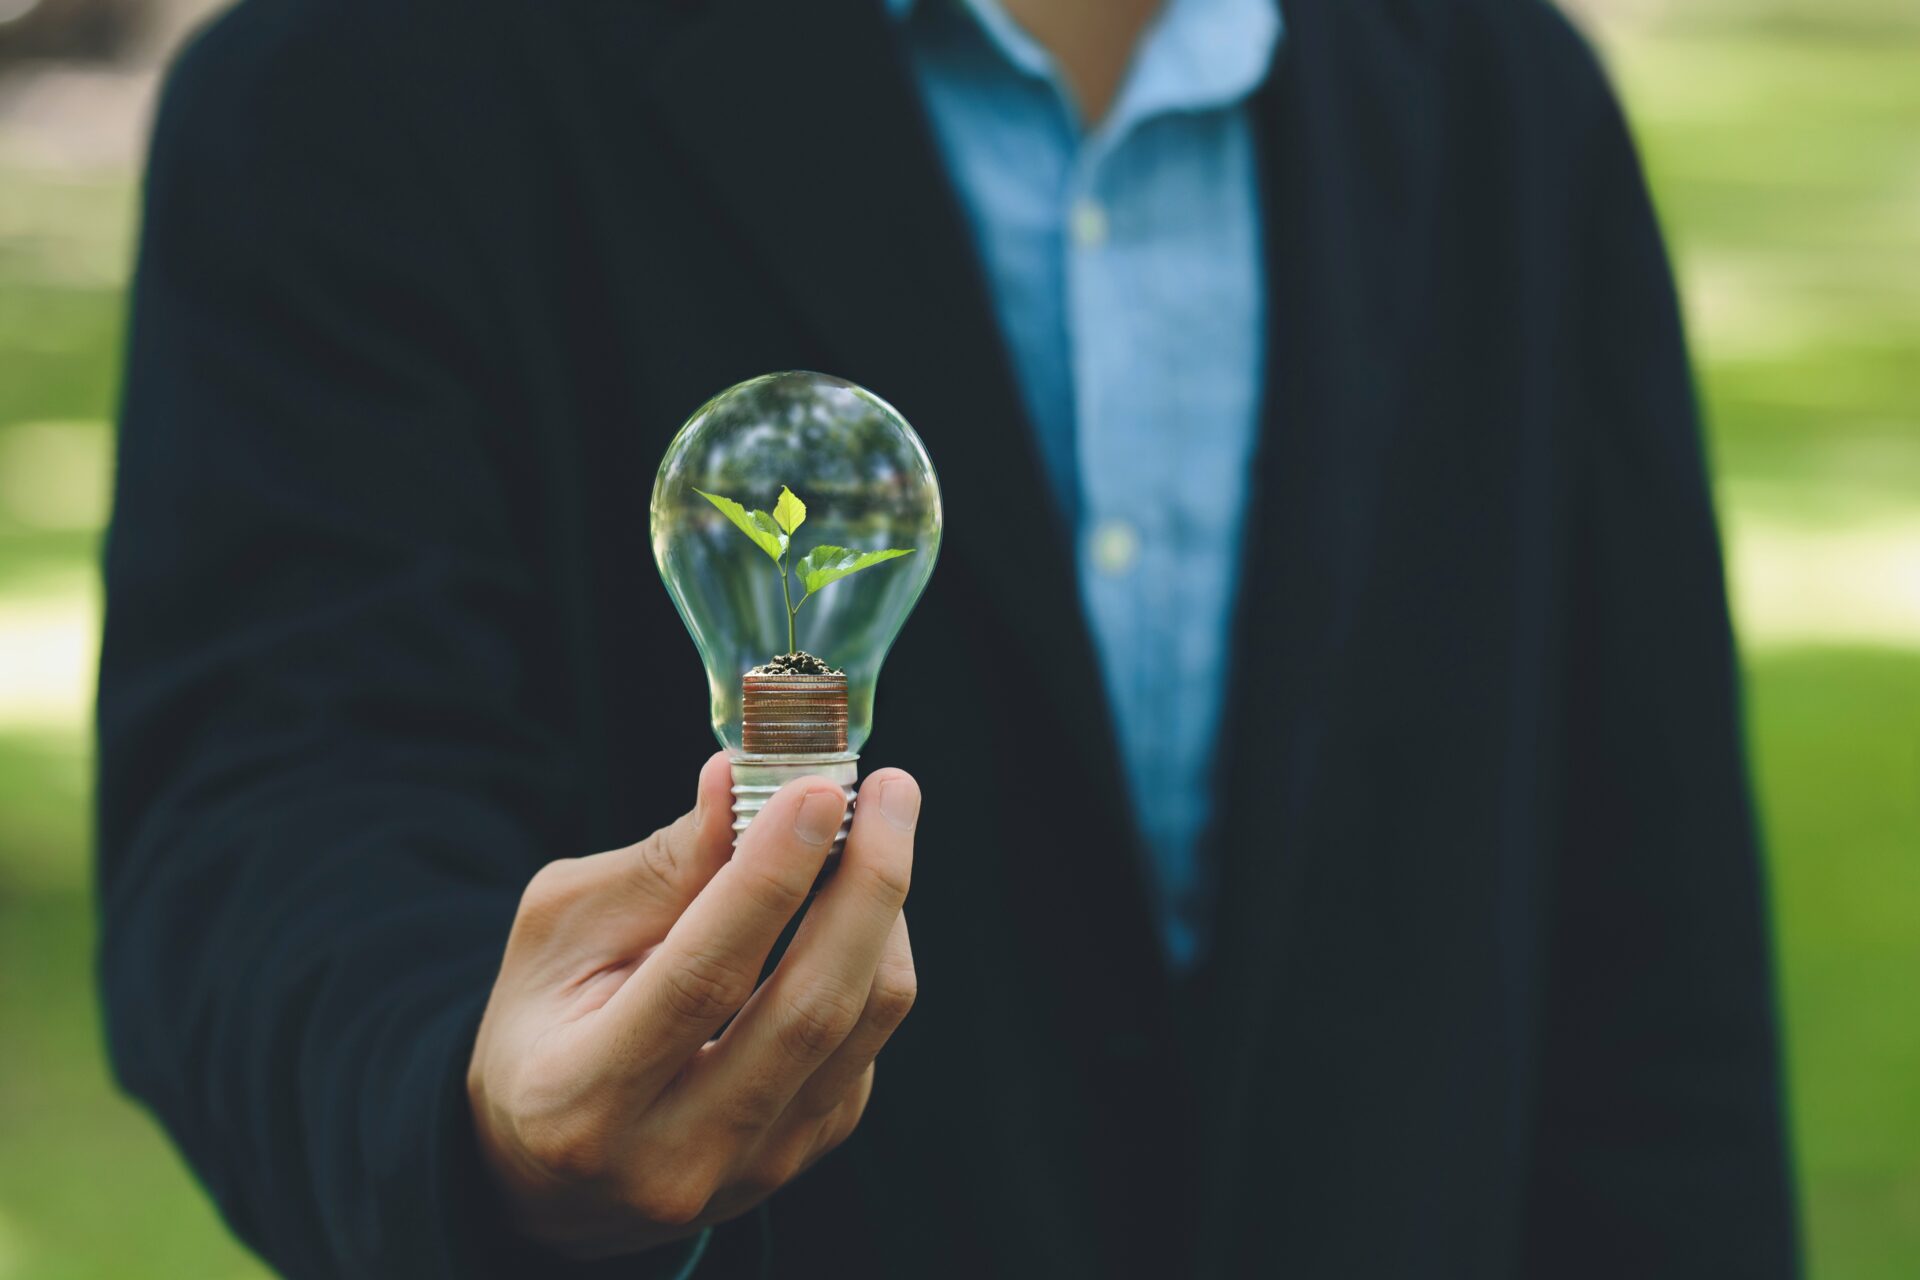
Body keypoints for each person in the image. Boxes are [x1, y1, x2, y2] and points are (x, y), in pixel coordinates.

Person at [97, 0, 1800, 1275]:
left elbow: (1654, 952)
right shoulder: (366, 77)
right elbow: (270, 796)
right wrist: (482, 1110)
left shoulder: (1504, 94)